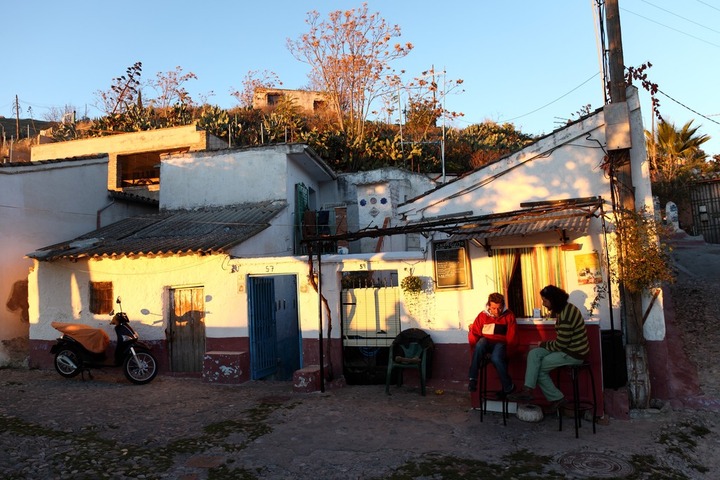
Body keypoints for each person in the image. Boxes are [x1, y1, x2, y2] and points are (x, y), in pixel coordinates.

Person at [508, 285, 590, 411]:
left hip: (574, 353)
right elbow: (561, 342)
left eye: (545, 301)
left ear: (554, 300)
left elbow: (561, 344)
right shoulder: (563, 310)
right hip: (566, 349)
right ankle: (527, 390)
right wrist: (543, 345)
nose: (543, 304)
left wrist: (544, 344)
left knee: (539, 368)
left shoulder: (566, 314)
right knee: (534, 354)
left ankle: (558, 399)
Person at [467, 292, 517, 398]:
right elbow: (475, 334)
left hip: (500, 344)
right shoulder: (482, 316)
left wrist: (508, 354)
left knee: (496, 358)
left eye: (499, 308)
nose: (496, 311)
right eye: (493, 308)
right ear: (489, 306)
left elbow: (512, 337)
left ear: (503, 305)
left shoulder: (509, 315)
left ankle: (508, 386)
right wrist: (476, 350)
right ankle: (472, 379)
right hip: (485, 344)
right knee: (480, 343)